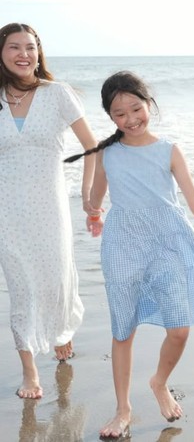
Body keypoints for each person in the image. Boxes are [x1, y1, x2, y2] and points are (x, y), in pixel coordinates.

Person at [64, 70, 194, 439]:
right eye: (120, 113)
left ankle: (159, 382)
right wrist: (93, 213)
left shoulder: (169, 150)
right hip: (122, 247)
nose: (131, 119)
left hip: (167, 244)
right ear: (110, 116)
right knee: (123, 330)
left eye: (136, 108)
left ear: (149, 104)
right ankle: (123, 409)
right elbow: (97, 198)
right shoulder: (108, 153)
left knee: (178, 329)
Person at [0, 22, 97, 400]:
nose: (24, 54)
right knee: (21, 286)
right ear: (1, 53)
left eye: (31, 47)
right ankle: (30, 371)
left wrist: (89, 196)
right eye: (14, 47)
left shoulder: (58, 94)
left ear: (39, 53)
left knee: (56, 277)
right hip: (7, 210)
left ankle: (61, 330)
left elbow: (93, 146)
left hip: (50, 204)